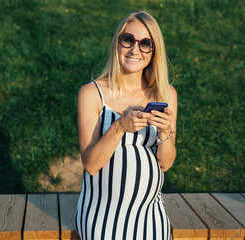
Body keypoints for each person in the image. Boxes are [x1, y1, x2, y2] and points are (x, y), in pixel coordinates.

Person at [75, 10, 177, 240]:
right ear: (117, 43)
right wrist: (119, 126)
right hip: (102, 219)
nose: (134, 50)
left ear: (154, 51)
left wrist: (165, 130)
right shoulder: (92, 93)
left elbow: (166, 162)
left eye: (145, 44)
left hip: (151, 217)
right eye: (128, 39)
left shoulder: (166, 94)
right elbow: (91, 165)